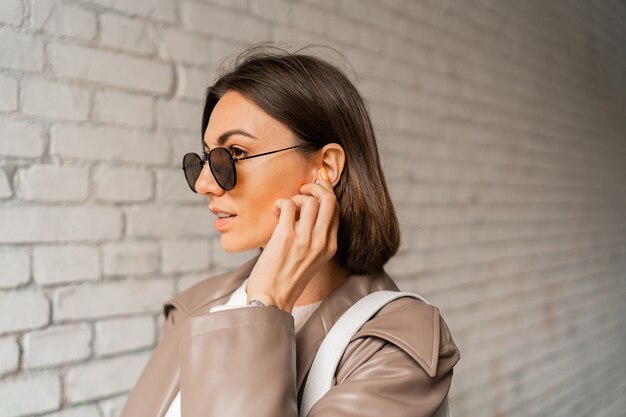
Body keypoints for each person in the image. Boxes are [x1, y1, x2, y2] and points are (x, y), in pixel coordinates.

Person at [120, 43, 461, 417]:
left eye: (234, 154)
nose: (205, 183)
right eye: (205, 158)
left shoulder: (395, 349)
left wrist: (266, 304)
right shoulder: (194, 307)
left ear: (325, 168)